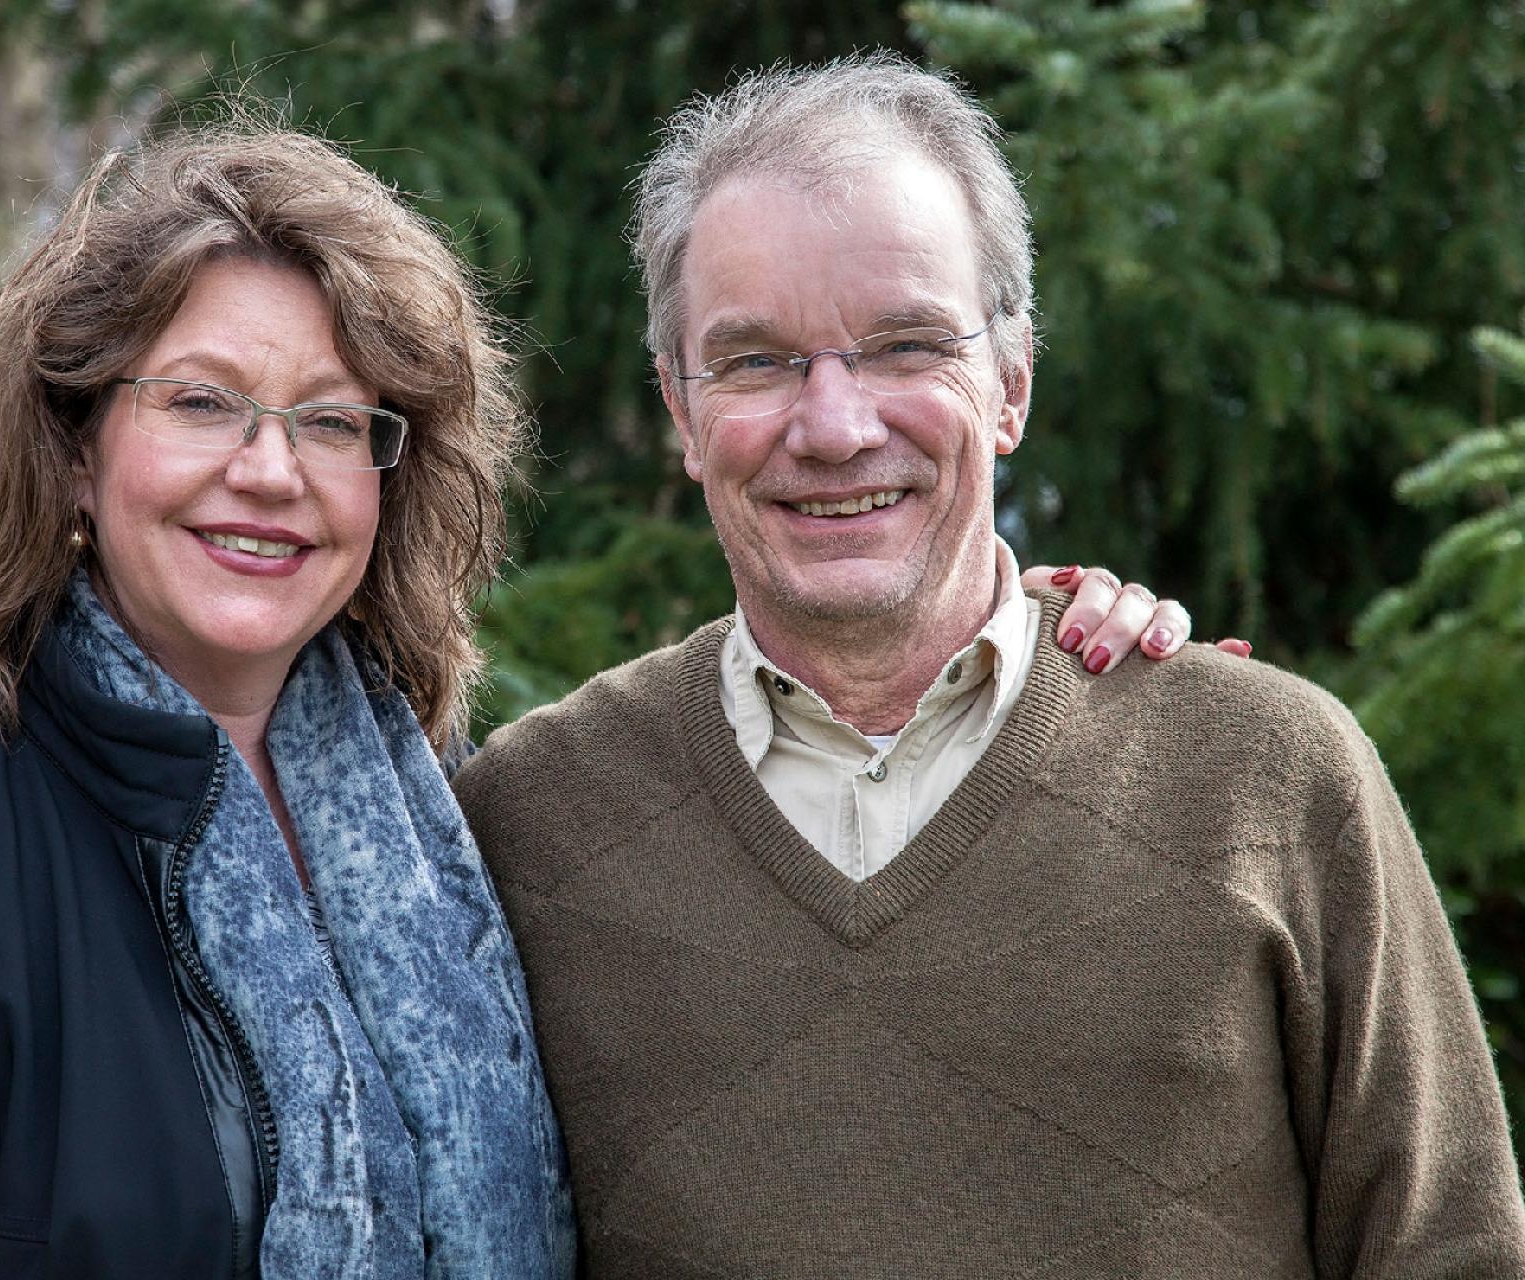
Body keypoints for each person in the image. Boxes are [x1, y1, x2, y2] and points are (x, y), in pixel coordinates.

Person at [0, 105, 1193, 1277]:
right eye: (201, 401)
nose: (267, 472)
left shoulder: (464, 831)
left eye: (335, 421)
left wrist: (1027, 631)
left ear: (393, 485)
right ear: (75, 447)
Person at [453, 53, 1525, 1278]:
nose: (837, 425)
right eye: (757, 361)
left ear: (1009, 383)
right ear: (681, 410)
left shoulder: (1268, 776)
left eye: (907, 345)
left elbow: (1453, 1250)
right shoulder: (533, 818)